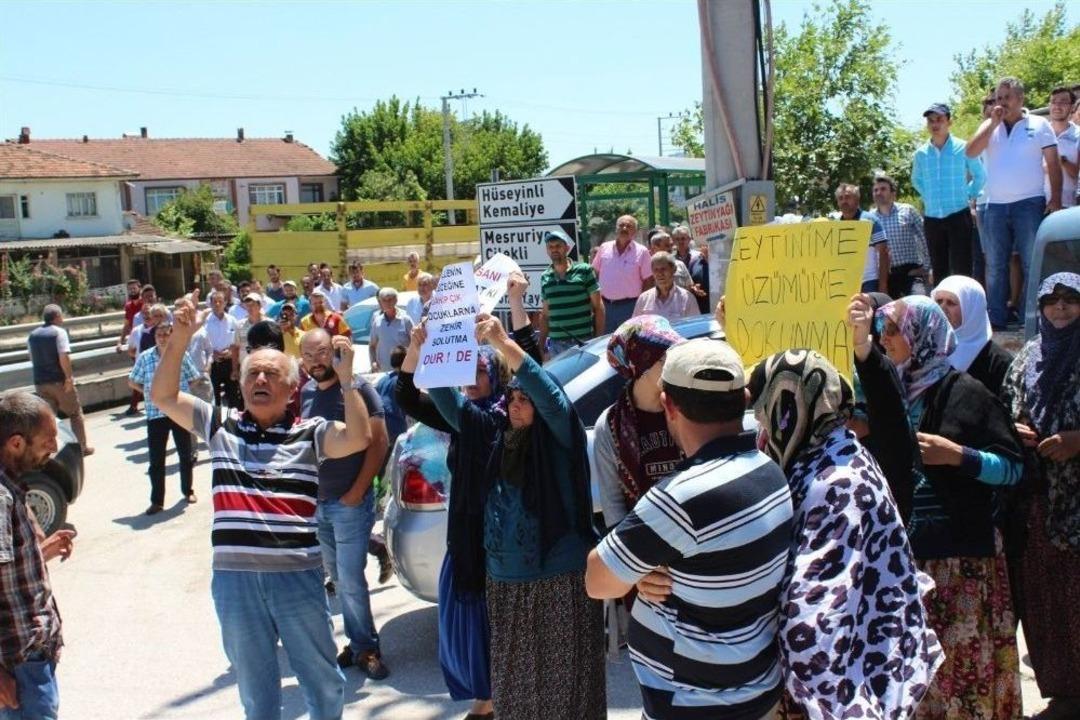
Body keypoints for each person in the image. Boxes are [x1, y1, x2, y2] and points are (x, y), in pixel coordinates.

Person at [149, 290, 373, 720]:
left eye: (272, 375)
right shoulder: (220, 426)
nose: (260, 382)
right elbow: (163, 397)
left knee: (323, 683)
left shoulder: (311, 431)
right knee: (255, 690)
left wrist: (348, 381)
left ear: (293, 389)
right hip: (235, 584)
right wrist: (178, 340)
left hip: (297, 579)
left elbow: (359, 438)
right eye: (253, 375)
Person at [586, 338, 794, 720]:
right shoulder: (771, 472)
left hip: (696, 704)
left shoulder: (678, 499)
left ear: (669, 405)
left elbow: (597, 579)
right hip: (758, 689)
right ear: (745, 398)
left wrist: (636, 571)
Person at [849, 294, 1024, 720]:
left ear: (920, 334)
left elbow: (1015, 468)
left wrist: (959, 456)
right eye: (883, 331)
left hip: (962, 562)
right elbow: (871, 380)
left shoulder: (968, 394)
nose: (885, 339)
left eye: (893, 330)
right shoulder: (891, 396)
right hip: (908, 560)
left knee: (965, 678)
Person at [746, 349, 944, 719]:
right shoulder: (828, 453)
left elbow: (816, 616)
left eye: (765, 412)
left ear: (788, 407)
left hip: (843, 688)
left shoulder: (835, 482)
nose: (762, 426)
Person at [426, 313, 605, 719]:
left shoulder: (559, 439)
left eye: (525, 400)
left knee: (565, 693)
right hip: (505, 585)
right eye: (513, 398)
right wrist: (431, 351)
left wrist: (505, 344)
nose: (517, 405)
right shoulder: (494, 436)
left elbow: (552, 398)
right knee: (515, 695)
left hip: (557, 582)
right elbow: (451, 406)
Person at [394, 273, 539, 720]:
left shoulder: (507, 413)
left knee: (504, 654)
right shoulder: (459, 416)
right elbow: (407, 395)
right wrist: (419, 349)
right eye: (463, 368)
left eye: (478, 367)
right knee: (476, 651)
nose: (470, 375)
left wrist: (514, 301)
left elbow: (531, 365)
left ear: (494, 373)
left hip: (503, 544)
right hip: (465, 542)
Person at [1000, 273, 1080, 720]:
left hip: (1077, 505)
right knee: (1046, 598)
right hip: (1038, 503)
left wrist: (1077, 440)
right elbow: (1004, 413)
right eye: (1053, 301)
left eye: (1071, 301)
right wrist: (1015, 433)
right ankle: (1062, 691)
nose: (1061, 309)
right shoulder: (1028, 358)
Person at [299, 329, 390, 680]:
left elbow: (378, 444)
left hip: (350, 503)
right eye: (308, 356)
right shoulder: (304, 392)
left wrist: (358, 490)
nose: (315, 361)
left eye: (321, 352)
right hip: (318, 504)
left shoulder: (357, 387)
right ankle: (356, 643)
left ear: (334, 351)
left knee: (350, 579)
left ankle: (367, 647)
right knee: (337, 577)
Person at [0, 391, 75, 720]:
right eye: (48, 440)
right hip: (17, 666)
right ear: (16, 443)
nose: (54, 449)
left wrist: (39, 552)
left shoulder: (11, 487)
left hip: (30, 659)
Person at [967, 77, 1062, 329]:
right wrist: (992, 124)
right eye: (999, 98)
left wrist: (1056, 200)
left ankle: (1030, 319)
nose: (1002, 103)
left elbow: (1053, 162)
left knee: (1033, 263)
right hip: (995, 206)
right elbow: (971, 152)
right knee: (996, 265)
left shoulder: (1040, 124)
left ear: (1021, 99)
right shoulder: (989, 125)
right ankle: (996, 320)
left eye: (1007, 97)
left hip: (1030, 203)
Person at [593, 316, 684, 529]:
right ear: (642, 366)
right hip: (642, 548)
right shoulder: (610, 425)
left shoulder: (687, 408)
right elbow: (614, 508)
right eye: (665, 359)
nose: (675, 364)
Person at [129, 319, 199, 514]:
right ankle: (157, 501)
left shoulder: (180, 355)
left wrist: (180, 394)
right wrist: (149, 393)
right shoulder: (145, 357)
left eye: (166, 334)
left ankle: (188, 491)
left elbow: (194, 378)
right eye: (158, 335)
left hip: (177, 410)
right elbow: (133, 381)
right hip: (155, 413)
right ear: (154, 337)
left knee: (185, 454)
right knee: (156, 459)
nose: (162, 338)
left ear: (171, 335)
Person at [912, 102, 986, 281]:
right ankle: (941, 308)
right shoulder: (921, 153)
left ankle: (964, 306)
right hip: (932, 218)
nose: (935, 124)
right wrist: (929, 197)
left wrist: (968, 195)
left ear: (949, 122)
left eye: (939, 119)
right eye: (931, 121)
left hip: (958, 214)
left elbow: (980, 175)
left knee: (963, 268)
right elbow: (917, 180)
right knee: (939, 270)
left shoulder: (963, 147)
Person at [28, 305, 93, 456]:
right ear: (57, 316)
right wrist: (68, 378)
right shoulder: (59, 332)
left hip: (40, 383)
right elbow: (63, 356)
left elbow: (32, 358)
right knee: (75, 414)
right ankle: (82, 448)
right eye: (61, 316)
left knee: (49, 419)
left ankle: (50, 451)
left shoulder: (32, 335)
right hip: (59, 381)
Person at [933, 275, 1014, 395]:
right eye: (938, 301)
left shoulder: (1000, 363)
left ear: (971, 309)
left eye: (951, 303)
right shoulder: (930, 350)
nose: (942, 308)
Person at [539, 229, 604, 358]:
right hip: (556, 345)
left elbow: (598, 307)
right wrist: (541, 344)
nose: (554, 249)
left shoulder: (584, 270)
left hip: (583, 342)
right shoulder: (545, 277)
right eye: (550, 247)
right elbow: (546, 314)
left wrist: (598, 340)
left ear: (567, 248)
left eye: (558, 246)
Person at [868, 173, 931, 296]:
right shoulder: (869, 218)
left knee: (919, 305)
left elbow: (926, 238)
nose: (879, 192)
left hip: (910, 272)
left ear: (893, 193)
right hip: (885, 276)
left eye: (883, 189)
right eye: (875, 190)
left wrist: (926, 267)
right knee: (888, 312)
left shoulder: (908, 210)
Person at [592, 214, 654, 333]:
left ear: (634, 231)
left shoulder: (642, 251)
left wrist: (640, 307)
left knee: (628, 343)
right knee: (603, 344)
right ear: (616, 228)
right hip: (605, 306)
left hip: (630, 307)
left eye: (629, 226)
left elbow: (648, 281)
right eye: (621, 225)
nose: (624, 228)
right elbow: (595, 274)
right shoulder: (604, 248)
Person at [834, 183, 890, 293]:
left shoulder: (870, 221)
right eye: (840, 198)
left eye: (848, 197)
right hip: (845, 283)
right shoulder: (835, 226)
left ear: (857, 199)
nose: (844, 201)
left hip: (869, 282)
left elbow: (884, 253)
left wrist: (883, 286)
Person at [631, 252, 697, 322]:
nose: (659, 273)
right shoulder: (643, 299)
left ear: (674, 270)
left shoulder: (687, 299)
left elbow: (695, 327)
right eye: (656, 270)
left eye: (663, 269)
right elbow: (634, 326)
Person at [116, 278, 145, 415]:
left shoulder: (145, 303)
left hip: (146, 339)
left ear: (139, 288)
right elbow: (127, 324)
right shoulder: (128, 306)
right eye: (130, 289)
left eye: (135, 288)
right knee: (139, 375)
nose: (132, 291)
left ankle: (134, 405)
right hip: (135, 342)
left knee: (138, 375)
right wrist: (120, 341)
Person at [1047, 87, 1078, 208]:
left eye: (1063, 102)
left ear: (1072, 107)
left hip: (1068, 205)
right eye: (1054, 101)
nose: (1057, 106)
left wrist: (1061, 160)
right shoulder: (1039, 132)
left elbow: (1077, 173)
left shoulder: (1078, 135)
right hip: (1037, 203)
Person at [368, 288, 412, 372]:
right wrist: (373, 362)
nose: (387, 303)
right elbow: (372, 346)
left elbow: (415, 342)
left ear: (396, 300)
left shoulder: (406, 320)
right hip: (384, 371)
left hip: (405, 369)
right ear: (380, 302)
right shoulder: (377, 322)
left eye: (390, 299)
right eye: (384, 300)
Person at [673, 225, 709, 313]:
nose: (680, 241)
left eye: (683, 238)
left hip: (701, 301)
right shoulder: (670, 260)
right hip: (678, 303)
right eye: (677, 239)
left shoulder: (700, 256)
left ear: (689, 239)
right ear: (673, 241)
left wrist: (708, 260)